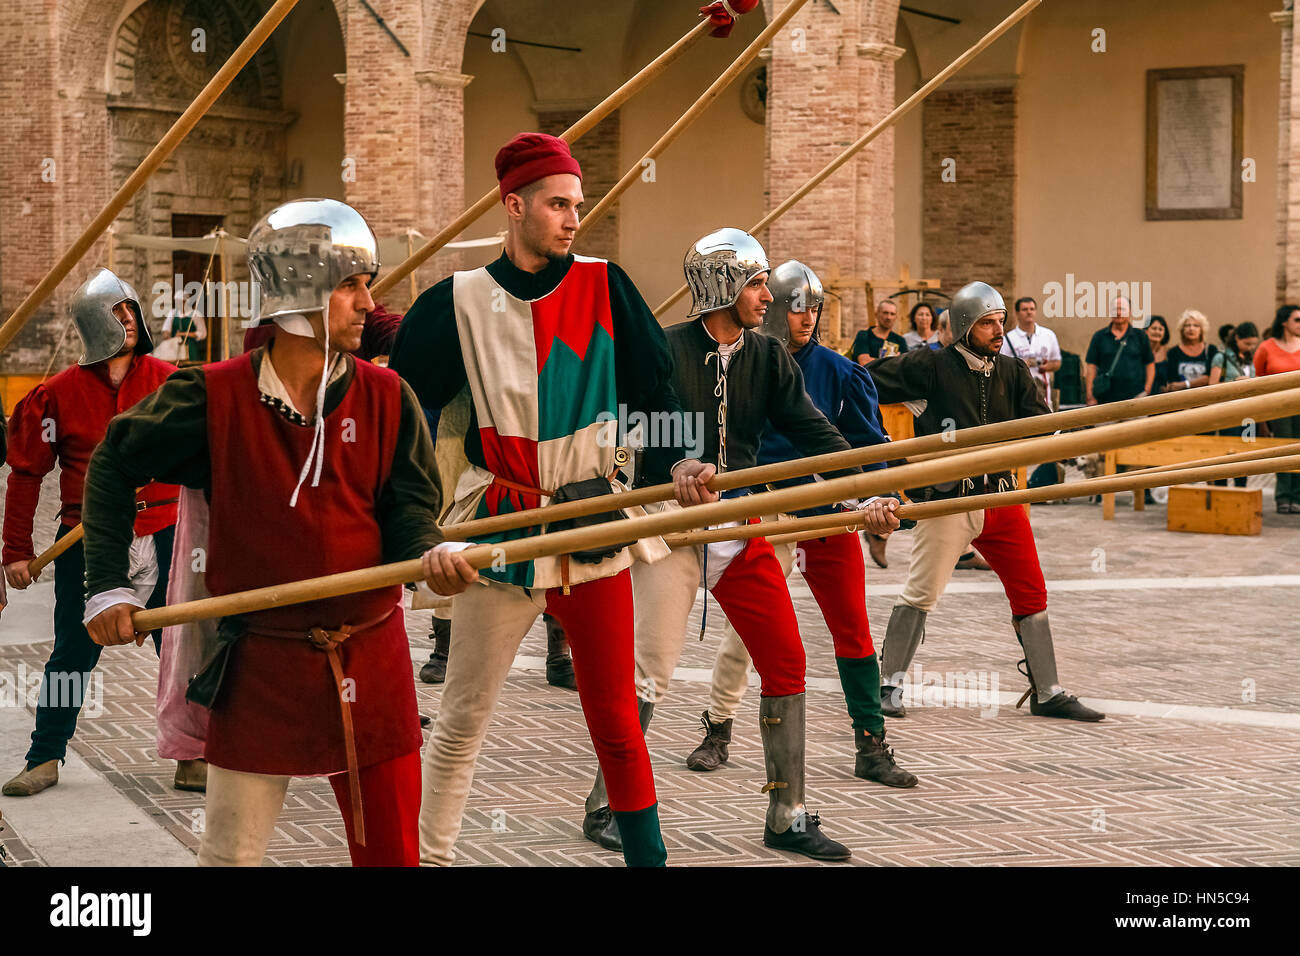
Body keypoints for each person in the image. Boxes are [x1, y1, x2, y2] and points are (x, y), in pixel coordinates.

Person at [80, 198, 456, 866]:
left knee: (393, 856)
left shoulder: (386, 397)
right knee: (229, 857)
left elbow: (408, 516)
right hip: (260, 665)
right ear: (301, 290)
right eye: (351, 284)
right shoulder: (212, 396)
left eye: (367, 283)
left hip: (370, 658)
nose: (369, 302)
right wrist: (106, 587)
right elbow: (113, 459)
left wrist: (431, 555)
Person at [391, 132, 704, 868]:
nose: (572, 219)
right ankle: (425, 859)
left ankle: (647, 861)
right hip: (501, 531)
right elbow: (400, 411)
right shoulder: (456, 303)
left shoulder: (607, 286)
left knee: (618, 724)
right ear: (514, 205)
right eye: (558, 204)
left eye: (577, 206)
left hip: (592, 525)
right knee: (463, 719)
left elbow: (656, 392)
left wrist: (682, 460)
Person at [579, 229, 896, 863]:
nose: (765, 295)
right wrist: (664, 470)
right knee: (649, 671)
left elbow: (815, 433)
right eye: (754, 283)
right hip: (666, 524)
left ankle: (788, 813)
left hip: (738, 523)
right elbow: (624, 435)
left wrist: (866, 497)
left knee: (786, 660)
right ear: (723, 287)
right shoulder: (663, 351)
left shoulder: (768, 355)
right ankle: (604, 805)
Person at [682, 259, 916, 790]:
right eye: (794, 307)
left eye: (813, 308)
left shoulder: (840, 372)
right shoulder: (737, 364)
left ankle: (870, 741)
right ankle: (718, 728)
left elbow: (868, 442)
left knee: (852, 628)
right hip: (763, 510)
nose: (805, 317)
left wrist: (876, 492)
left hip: (826, 512)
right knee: (744, 636)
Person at [868, 281, 1105, 724]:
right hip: (948, 502)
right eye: (987, 323)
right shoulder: (929, 367)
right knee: (921, 593)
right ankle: (888, 684)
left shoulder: (1014, 372)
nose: (999, 330)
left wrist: (1068, 436)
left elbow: (1040, 423)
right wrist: (890, 454)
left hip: (1000, 498)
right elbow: (864, 384)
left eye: (1001, 321)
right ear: (963, 327)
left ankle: (1047, 689)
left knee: (1031, 590)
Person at [2, 269, 180, 797]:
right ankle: (44, 757)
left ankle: (195, 754)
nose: (127, 322)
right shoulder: (55, 395)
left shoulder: (173, 383)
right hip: (87, 534)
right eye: (115, 313)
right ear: (92, 324)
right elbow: (26, 473)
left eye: (131, 311)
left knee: (184, 648)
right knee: (72, 653)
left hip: (168, 528)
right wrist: (16, 550)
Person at [1255, 304, 1300, 513]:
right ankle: (1283, 496)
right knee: (1283, 450)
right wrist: (1261, 418)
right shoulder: (1267, 347)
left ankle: (1297, 496)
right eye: (1297, 320)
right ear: (1284, 322)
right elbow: (1257, 384)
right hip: (1278, 408)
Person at [1210, 321, 1259, 488]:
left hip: (1248, 414)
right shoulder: (1221, 357)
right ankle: (1221, 487)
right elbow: (1212, 387)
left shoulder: (1250, 359)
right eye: (1247, 343)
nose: (1251, 347)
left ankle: (1241, 486)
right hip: (1228, 412)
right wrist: (1234, 382)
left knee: (1246, 450)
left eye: (1253, 344)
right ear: (1237, 338)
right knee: (1226, 451)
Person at [1085, 295, 1154, 405]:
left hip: (1136, 398)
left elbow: (1149, 364)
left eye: (1122, 309)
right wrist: (1089, 395)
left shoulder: (1140, 336)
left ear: (1130, 312)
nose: (1118, 313)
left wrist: (1147, 389)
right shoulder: (1099, 336)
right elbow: (1091, 366)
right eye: (1114, 309)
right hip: (1105, 400)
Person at [1000, 296, 1062, 410]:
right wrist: (1019, 365)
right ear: (1017, 313)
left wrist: (1046, 366)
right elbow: (1001, 367)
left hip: (1043, 392)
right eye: (1025, 309)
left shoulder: (1048, 335)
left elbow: (1057, 362)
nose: (1029, 312)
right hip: (1018, 393)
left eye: (1032, 309)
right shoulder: (1008, 339)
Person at [1160, 309, 1217, 393]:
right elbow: (1173, 383)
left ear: (1202, 330)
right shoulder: (1173, 352)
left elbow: (1210, 378)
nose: (1191, 328)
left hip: (1205, 397)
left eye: (1196, 325)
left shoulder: (1211, 350)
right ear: (1182, 329)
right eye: (1187, 325)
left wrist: (1185, 384)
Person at [850, 298, 908, 364]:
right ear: (876, 314)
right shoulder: (864, 335)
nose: (889, 317)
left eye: (892, 314)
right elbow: (864, 362)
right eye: (885, 313)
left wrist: (875, 360)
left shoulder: (900, 340)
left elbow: (905, 366)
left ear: (896, 317)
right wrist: (893, 360)